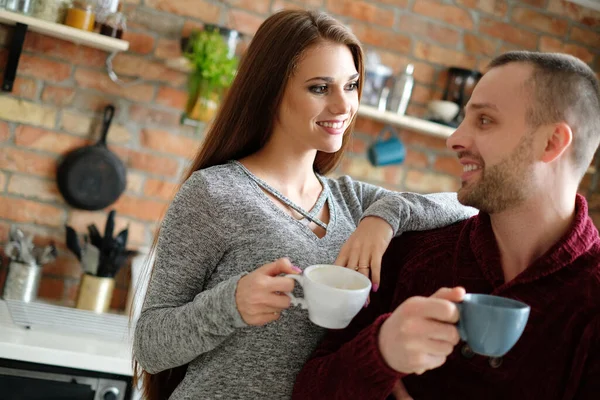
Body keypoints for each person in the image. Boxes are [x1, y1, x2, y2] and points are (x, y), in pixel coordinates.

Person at [132, 9, 477, 400]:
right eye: (319, 88)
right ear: (271, 90)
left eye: (351, 85)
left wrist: (385, 217)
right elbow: (150, 344)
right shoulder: (214, 193)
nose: (343, 106)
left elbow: (466, 205)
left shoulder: (354, 202)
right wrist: (232, 304)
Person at [293, 50, 600, 400]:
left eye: (484, 120)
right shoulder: (413, 251)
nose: (454, 138)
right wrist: (380, 351)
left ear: (552, 143)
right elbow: (308, 390)